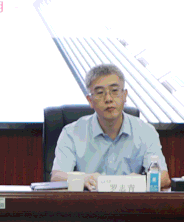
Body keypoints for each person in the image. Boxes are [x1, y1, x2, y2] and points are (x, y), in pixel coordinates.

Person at [50, 63, 170, 191]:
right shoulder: (71, 132)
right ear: (90, 100)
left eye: (114, 91)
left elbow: (164, 178)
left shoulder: (146, 132)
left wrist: (141, 181)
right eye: (100, 92)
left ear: (124, 95)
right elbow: (56, 177)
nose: (108, 99)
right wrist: (84, 178)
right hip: (88, 202)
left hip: (131, 202)